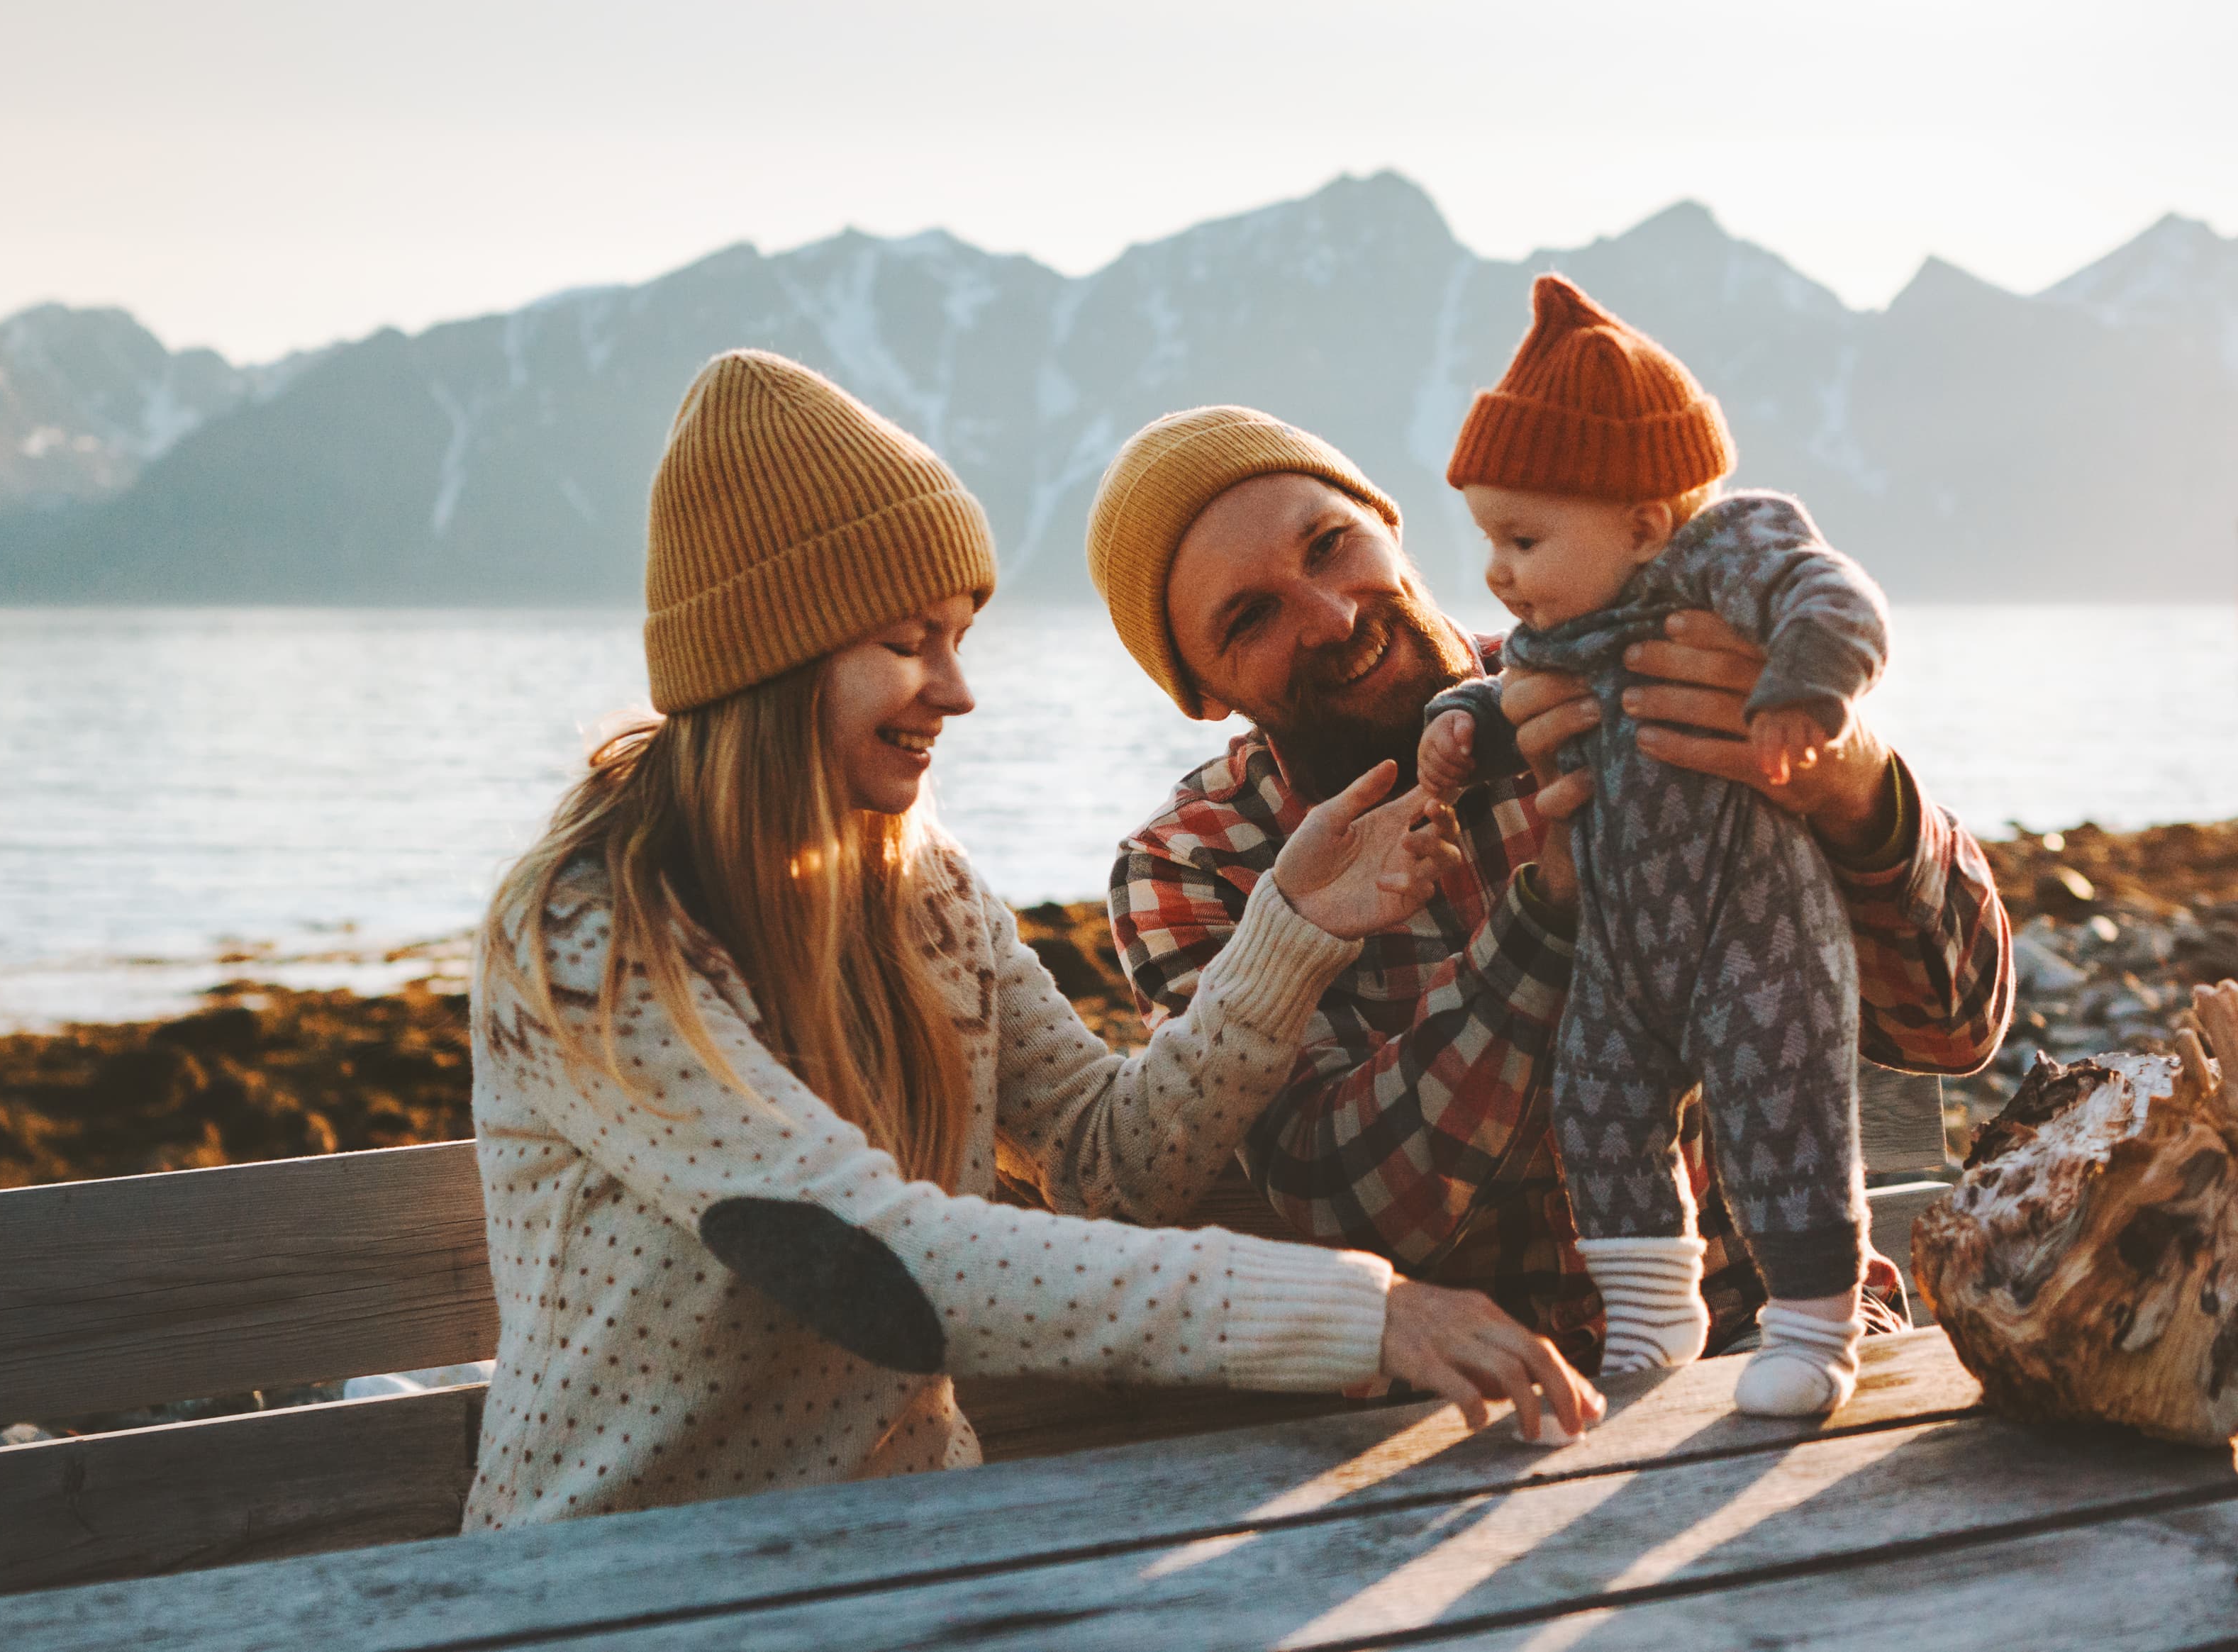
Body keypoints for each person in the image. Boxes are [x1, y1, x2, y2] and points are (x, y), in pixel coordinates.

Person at [465, 348, 1598, 1531]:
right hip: (615, 1578)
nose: (956, 692)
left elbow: (1112, 1161)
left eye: (958, 636)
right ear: (777, 653)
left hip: (916, 1545)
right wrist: (1365, 1310)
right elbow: (861, 1249)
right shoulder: (589, 929)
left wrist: (1290, 930)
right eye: (911, 641)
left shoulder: (922, 887)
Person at [1084, 377, 2010, 1375]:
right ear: (1200, 691)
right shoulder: (1195, 861)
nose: (1330, 613)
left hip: (1777, 1345)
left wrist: (1851, 781)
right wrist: (1549, 919)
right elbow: (1344, 1198)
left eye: (1329, 544)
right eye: (1251, 617)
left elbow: (1955, 1022)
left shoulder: (1656, 668)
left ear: (1389, 524)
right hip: (1464, 1415)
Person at [1417, 274, 1892, 1416]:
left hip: (1752, 928)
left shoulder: (1723, 556)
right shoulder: (1561, 632)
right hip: (1623, 955)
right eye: (1488, 539)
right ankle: (1651, 1310)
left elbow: (1836, 599)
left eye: (1522, 537)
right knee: (1598, 1104)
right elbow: (1504, 693)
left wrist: (1805, 696)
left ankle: (1817, 1328)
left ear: (1641, 521)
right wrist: (1456, 726)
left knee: (1783, 1108)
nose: (1496, 571)